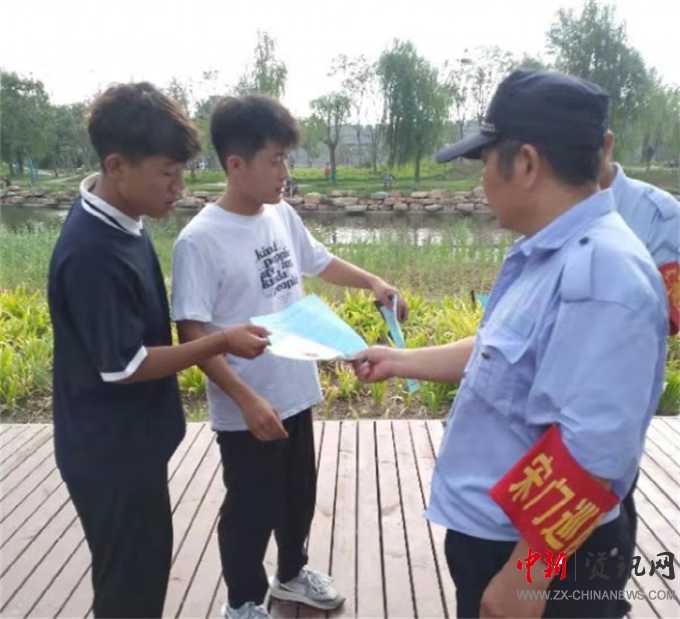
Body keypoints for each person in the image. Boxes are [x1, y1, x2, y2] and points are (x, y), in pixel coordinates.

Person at [353, 69, 669, 618]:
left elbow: (594, 448)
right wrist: (399, 359)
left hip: (544, 560)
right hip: (501, 540)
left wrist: (526, 577)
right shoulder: (547, 252)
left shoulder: (602, 274)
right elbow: (497, 350)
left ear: (525, 163)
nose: (481, 181)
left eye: (483, 163)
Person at [170, 93, 408, 619]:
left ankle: (292, 574)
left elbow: (319, 261)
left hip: (295, 389)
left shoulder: (280, 213)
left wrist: (372, 281)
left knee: (298, 494)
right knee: (250, 508)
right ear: (236, 165)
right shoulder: (200, 241)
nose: (285, 173)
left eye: (286, 159)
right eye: (275, 160)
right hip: (247, 406)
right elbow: (192, 331)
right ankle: (243, 602)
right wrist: (246, 399)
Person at [47, 82, 271, 619]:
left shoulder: (125, 219)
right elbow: (126, 366)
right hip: (110, 456)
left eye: (182, 172)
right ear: (116, 166)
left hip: (130, 449)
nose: (179, 187)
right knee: (130, 591)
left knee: (139, 577)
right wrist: (221, 339)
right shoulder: (93, 253)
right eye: (167, 173)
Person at [599, 130, 680, 616]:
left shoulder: (659, 215)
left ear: (606, 144)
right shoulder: (547, 210)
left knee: (607, 504)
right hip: (543, 428)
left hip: (608, 408)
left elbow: (668, 315)